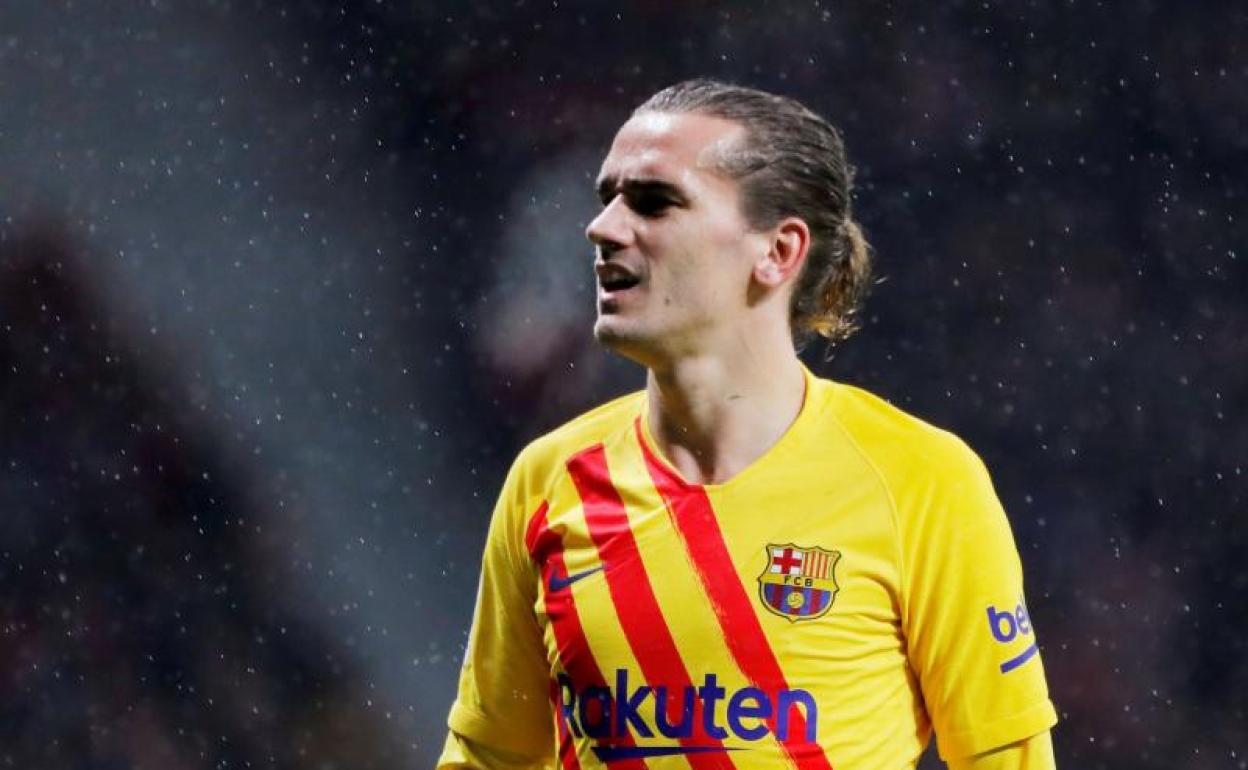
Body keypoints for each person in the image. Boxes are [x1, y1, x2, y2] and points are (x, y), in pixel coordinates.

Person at [436, 79, 1057, 770]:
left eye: (653, 202)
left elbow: (1008, 759)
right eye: (606, 198)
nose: (604, 227)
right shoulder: (549, 483)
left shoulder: (921, 481)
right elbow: (490, 759)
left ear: (778, 252)